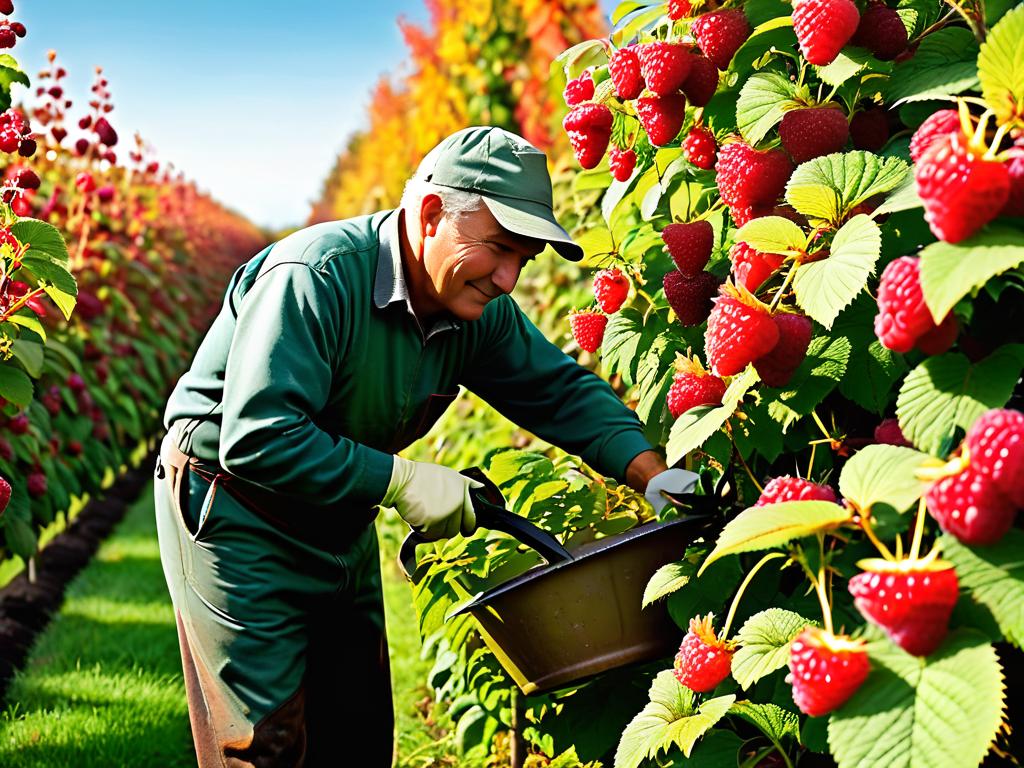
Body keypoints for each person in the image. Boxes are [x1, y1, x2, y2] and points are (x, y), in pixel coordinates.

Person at [153, 125, 696, 768]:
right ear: (433, 212)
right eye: (499, 249)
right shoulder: (316, 276)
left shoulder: (472, 309)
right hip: (236, 508)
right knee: (263, 740)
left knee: (355, 732)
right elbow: (259, 436)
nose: (508, 278)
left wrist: (654, 476)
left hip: (337, 509)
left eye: (524, 259)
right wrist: (402, 482)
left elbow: (558, 392)